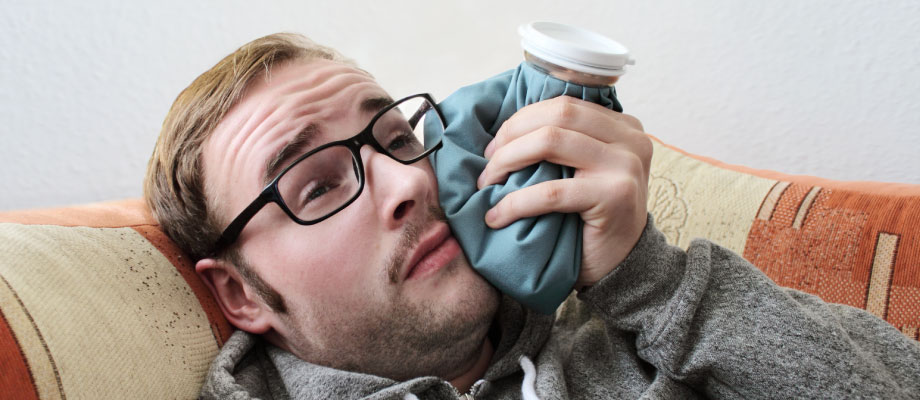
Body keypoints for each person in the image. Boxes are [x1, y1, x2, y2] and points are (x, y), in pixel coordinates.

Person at [144, 33, 920, 399]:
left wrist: (649, 282)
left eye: (395, 137)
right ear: (242, 295)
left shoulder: (634, 326)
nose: (406, 184)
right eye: (315, 186)